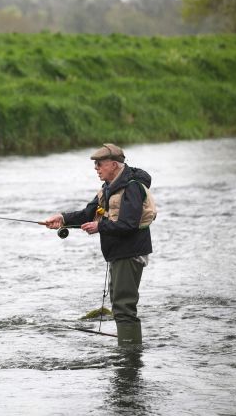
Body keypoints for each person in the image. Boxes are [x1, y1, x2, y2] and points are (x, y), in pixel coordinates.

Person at [45, 143, 156, 346]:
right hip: (118, 253)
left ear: (114, 164)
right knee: (120, 306)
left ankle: (130, 356)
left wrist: (100, 227)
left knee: (124, 307)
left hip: (130, 253)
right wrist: (62, 218)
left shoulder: (131, 187)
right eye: (95, 165)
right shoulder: (108, 188)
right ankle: (128, 349)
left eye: (99, 164)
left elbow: (129, 224)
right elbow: (88, 214)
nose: (96, 169)